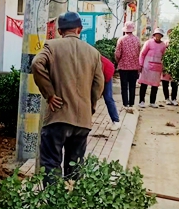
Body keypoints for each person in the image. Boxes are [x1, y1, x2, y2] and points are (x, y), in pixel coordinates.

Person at [32, 11, 104, 184]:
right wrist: (90, 107)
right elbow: (99, 84)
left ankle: (54, 205)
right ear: (79, 29)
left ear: (59, 30)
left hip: (58, 117)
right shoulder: (93, 53)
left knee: (51, 163)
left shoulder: (51, 46)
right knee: (75, 166)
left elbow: (36, 64)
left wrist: (50, 94)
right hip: (83, 122)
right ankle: (72, 204)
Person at [115, 21, 141, 111]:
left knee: (124, 86)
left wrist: (118, 61)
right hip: (134, 67)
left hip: (123, 67)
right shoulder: (137, 40)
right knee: (132, 86)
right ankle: (131, 103)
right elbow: (139, 53)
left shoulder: (121, 40)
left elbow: (118, 54)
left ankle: (125, 103)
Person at [138, 28, 168, 108]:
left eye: (160, 35)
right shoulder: (148, 43)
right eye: (157, 34)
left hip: (157, 68)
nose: (158, 36)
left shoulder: (163, 45)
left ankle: (152, 101)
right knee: (144, 84)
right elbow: (142, 54)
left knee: (155, 86)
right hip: (147, 66)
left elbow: (164, 57)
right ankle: (141, 101)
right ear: (154, 35)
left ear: (161, 36)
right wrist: (140, 65)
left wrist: (164, 68)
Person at [100, 55, 120, 131]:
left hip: (106, 72)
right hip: (103, 71)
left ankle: (116, 121)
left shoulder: (90, 58)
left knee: (108, 97)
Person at [161, 29, 179, 106]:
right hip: (166, 65)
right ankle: (167, 98)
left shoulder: (178, 43)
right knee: (165, 83)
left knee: (174, 83)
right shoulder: (165, 43)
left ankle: (174, 99)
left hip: (175, 65)